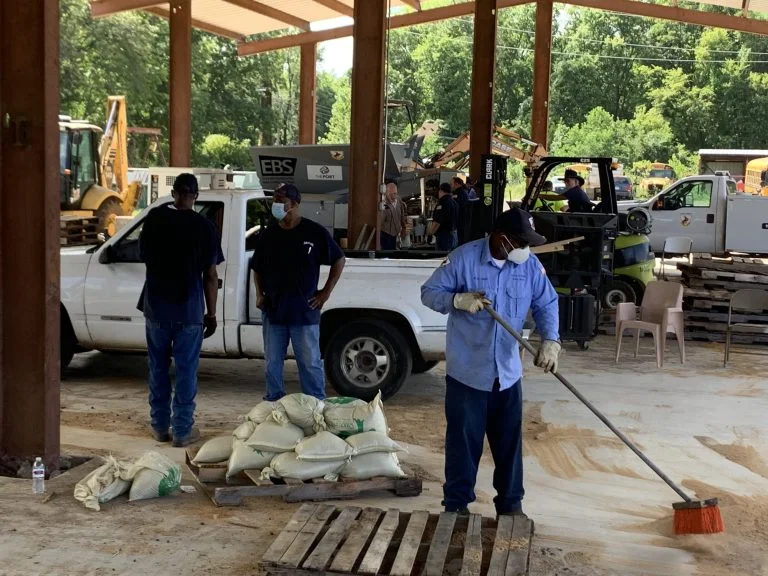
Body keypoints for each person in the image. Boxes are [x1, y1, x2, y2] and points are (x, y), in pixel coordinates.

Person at [421, 207, 561, 516]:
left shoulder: (528, 266)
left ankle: (510, 506)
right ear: (501, 237)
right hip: (467, 373)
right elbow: (428, 293)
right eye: (520, 242)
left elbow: (547, 302)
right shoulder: (463, 259)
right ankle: (456, 505)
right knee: (463, 443)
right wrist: (456, 300)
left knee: (509, 444)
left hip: (507, 373)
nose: (525, 249)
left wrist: (551, 341)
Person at [138, 173, 223, 447]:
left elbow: (143, 256)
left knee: (158, 369)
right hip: (189, 311)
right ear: (195, 196)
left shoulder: (154, 219)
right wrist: (211, 314)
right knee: (186, 372)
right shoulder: (204, 226)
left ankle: (159, 427)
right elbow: (211, 275)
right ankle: (183, 431)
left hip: (157, 309)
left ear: (173, 193)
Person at [251, 184, 346, 401]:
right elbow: (257, 267)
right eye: (274, 200)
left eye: (281, 201)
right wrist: (259, 294)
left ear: (294, 204)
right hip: (274, 311)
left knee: (309, 363)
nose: (276, 205)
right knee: (272, 363)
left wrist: (325, 293)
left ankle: (315, 405)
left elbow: (339, 259)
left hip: (304, 312)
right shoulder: (269, 234)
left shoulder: (314, 232)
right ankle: (274, 404)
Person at [431, 182, 459, 251]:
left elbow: (437, 222)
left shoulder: (443, 203)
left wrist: (431, 234)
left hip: (444, 237)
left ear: (441, 191)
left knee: (442, 256)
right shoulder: (454, 203)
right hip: (454, 234)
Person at [380, 180, 407, 250]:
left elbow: (402, 215)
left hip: (396, 234)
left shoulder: (399, 200)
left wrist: (404, 228)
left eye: (395, 194)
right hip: (386, 235)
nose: (393, 196)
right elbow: (380, 222)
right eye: (391, 194)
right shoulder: (383, 203)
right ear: (386, 193)